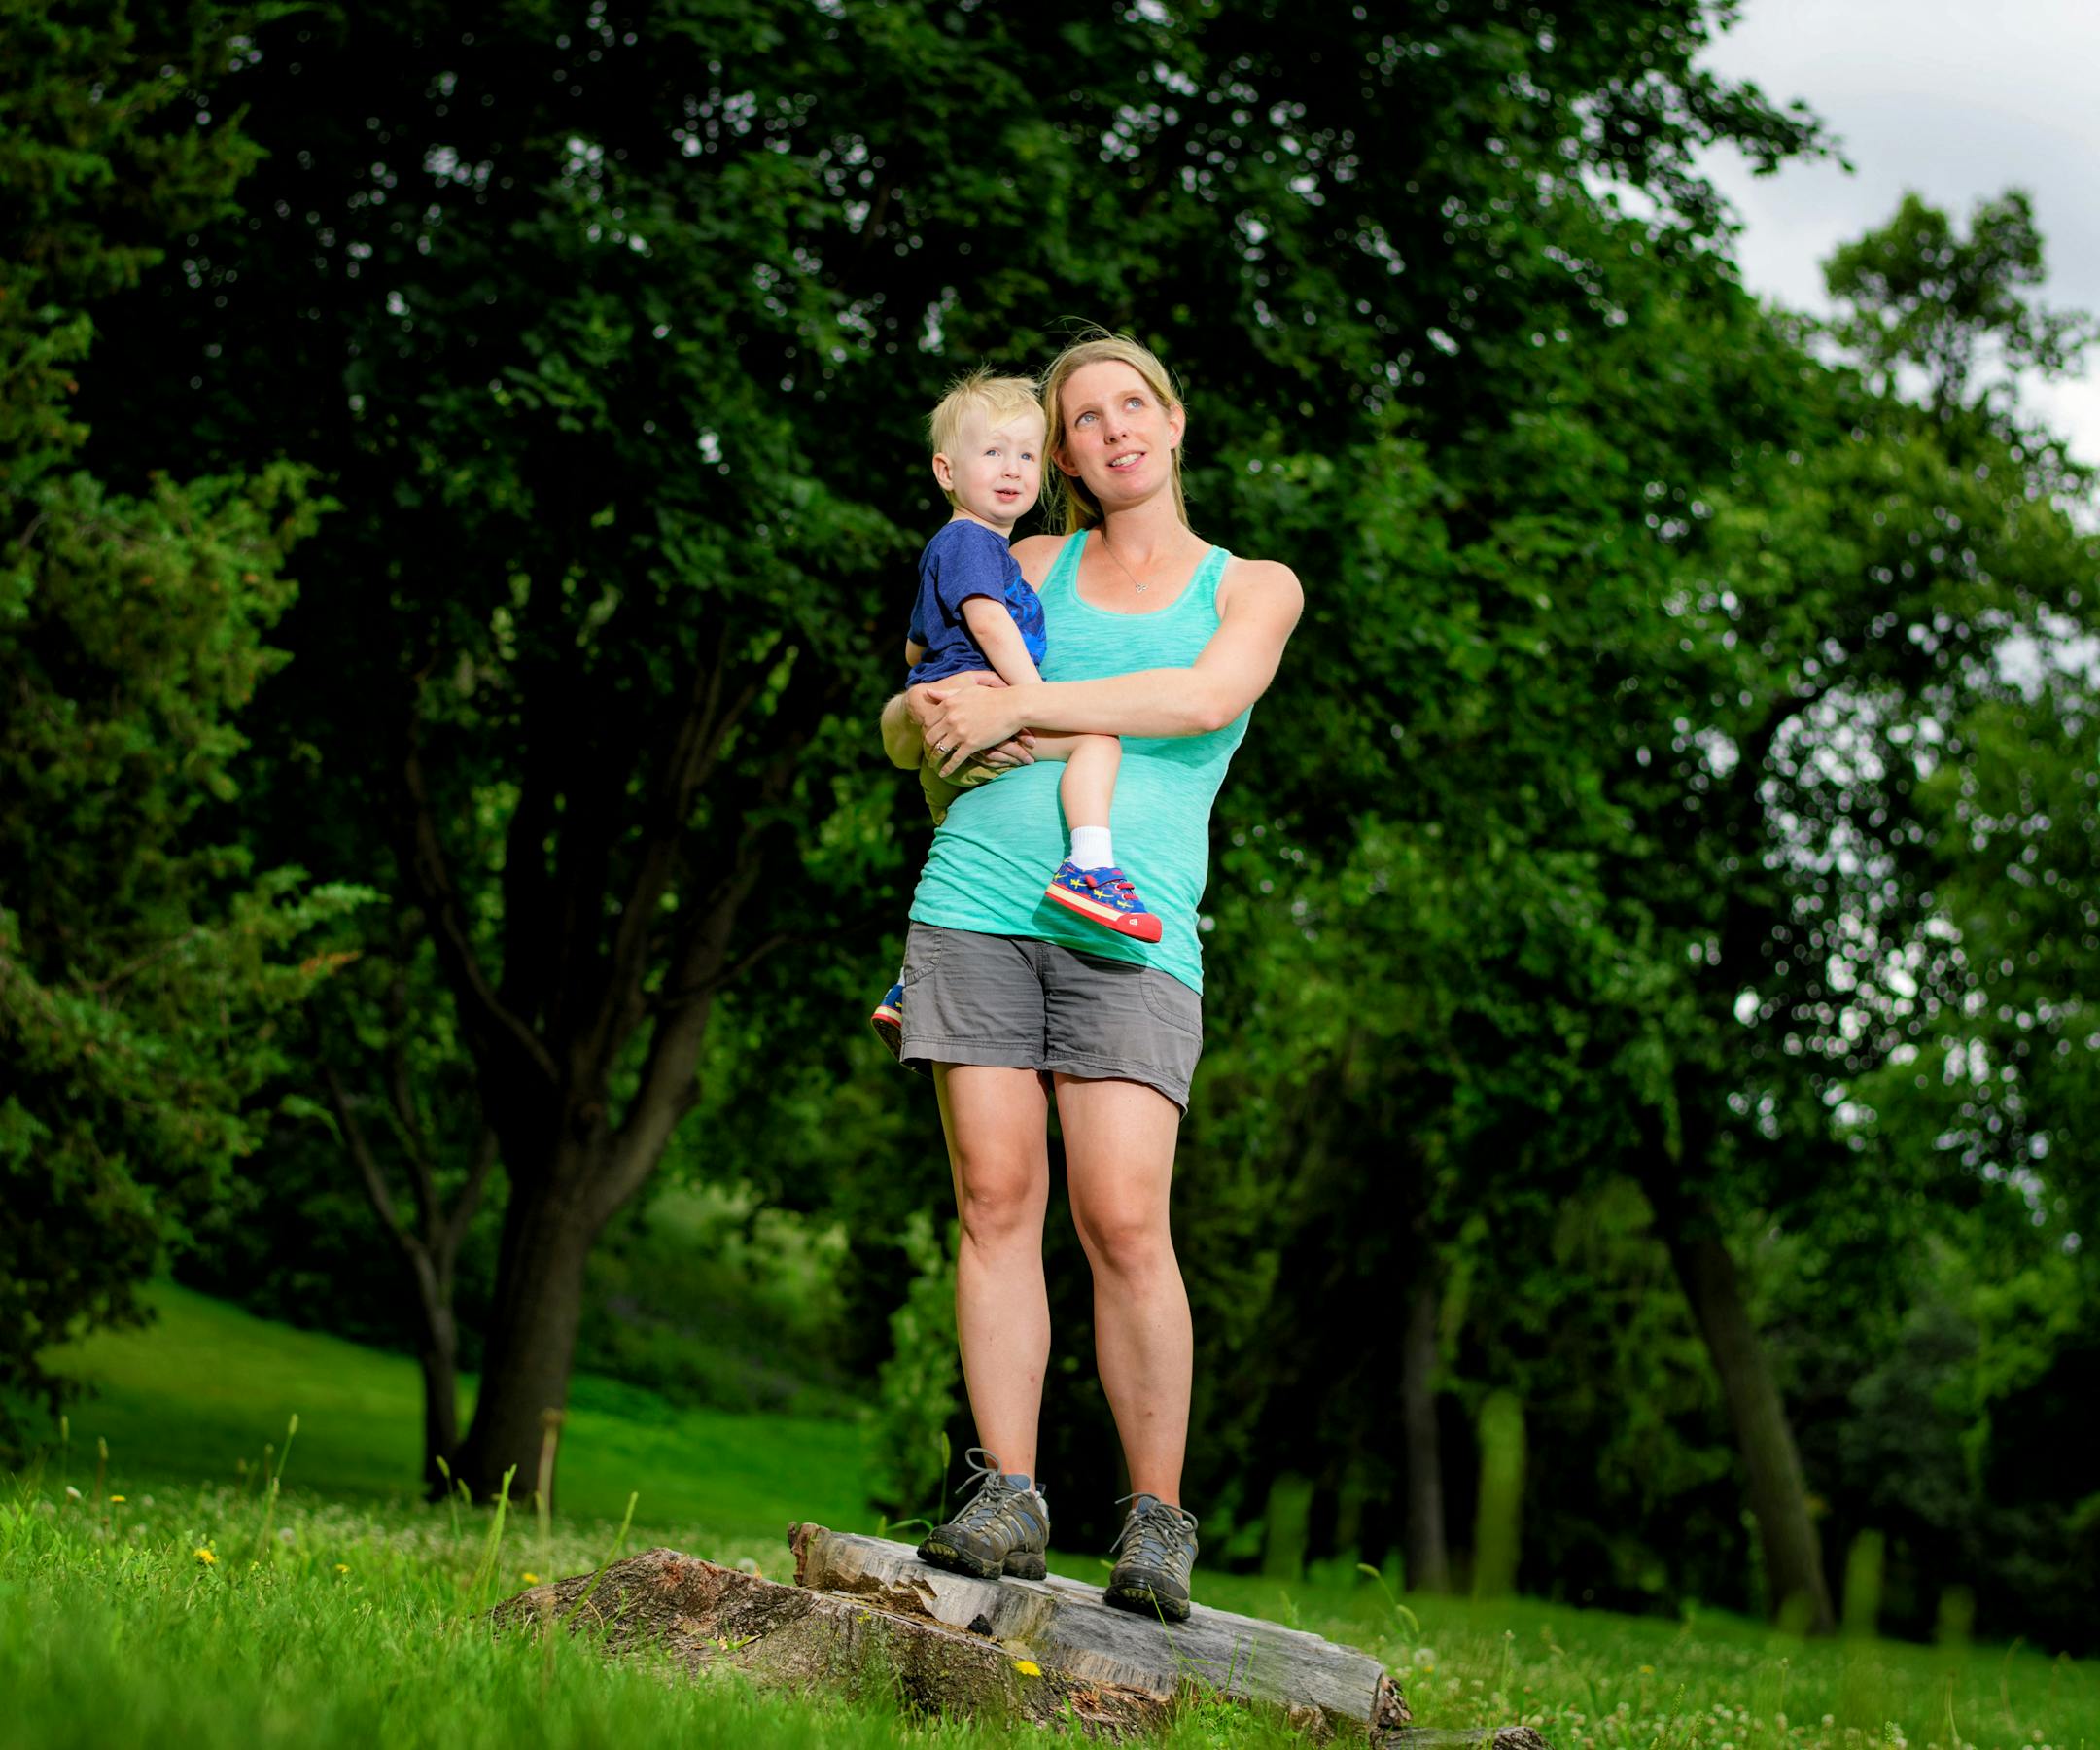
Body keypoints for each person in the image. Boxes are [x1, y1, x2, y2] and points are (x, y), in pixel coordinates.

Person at [881, 331, 1303, 1621]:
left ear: (1173, 424)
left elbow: (1196, 700)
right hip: (976, 898)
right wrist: (930, 722)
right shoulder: (1023, 562)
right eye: (1082, 418)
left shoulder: (1253, 585)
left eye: (1134, 405)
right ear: (1059, 453)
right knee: (994, 1202)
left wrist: (1020, 709)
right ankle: (1007, 1493)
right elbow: (912, 713)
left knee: (1123, 1220)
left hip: (1130, 923)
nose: (1112, 429)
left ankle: (1156, 1522)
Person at [870, 368, 1165, 1055]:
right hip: (985, 716)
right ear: (947, 470)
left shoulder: (952, 547)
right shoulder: (974, 543)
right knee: (1099, 741)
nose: (1013, 470)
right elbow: (988, 620)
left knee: (964, 853)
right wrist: (1032, 698)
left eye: (1026, 455)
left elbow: (915, 646)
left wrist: (938, 680)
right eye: (992, 453)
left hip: (949, 741)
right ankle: (1091, 868)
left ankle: (910, 987)